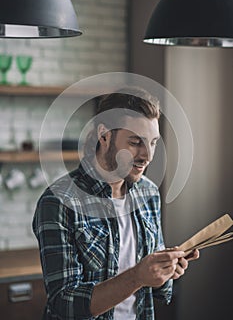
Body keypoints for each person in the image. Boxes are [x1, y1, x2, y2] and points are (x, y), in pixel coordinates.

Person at [33, 87, 199, 320]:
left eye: (152, 142)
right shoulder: (59, 202)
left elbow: (154, 291)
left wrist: (165, 270)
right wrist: (137, 277)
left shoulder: (148, 193)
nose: (147, 155)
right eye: (135, 142)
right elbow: (64, 303)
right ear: (104, 135)